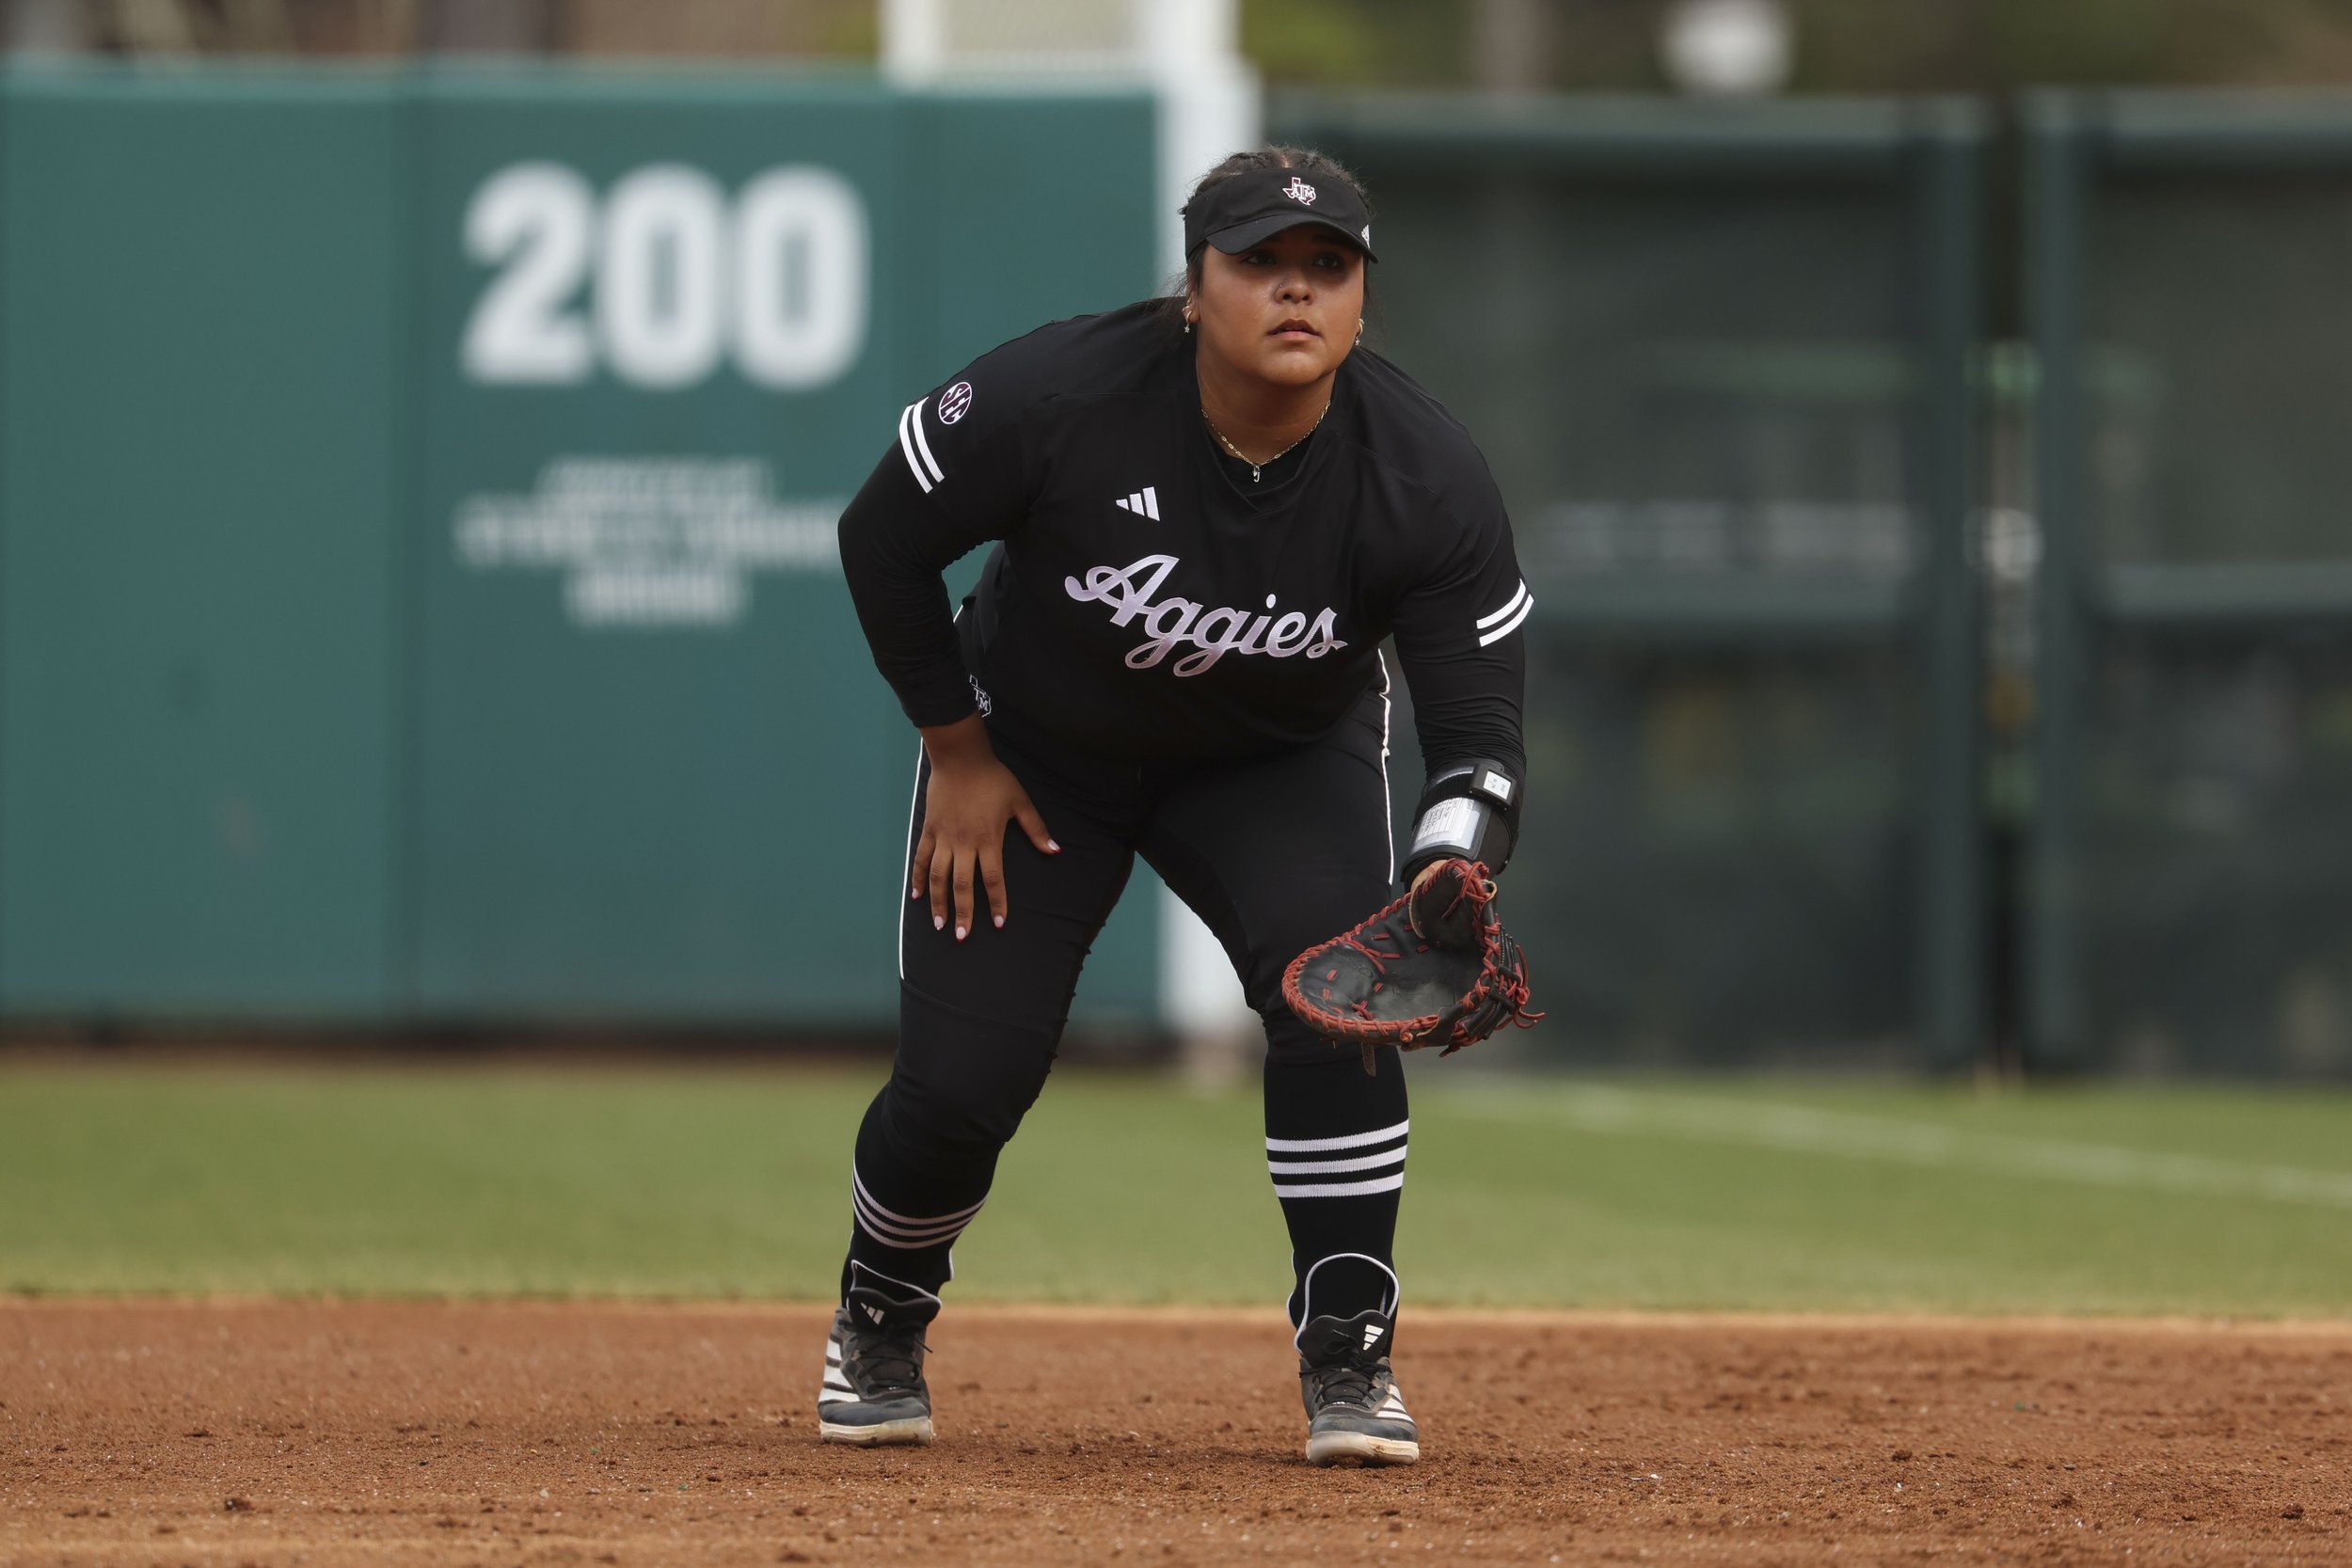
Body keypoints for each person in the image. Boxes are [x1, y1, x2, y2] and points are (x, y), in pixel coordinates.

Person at [823, 147, 1532, 1467]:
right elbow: (883, 542)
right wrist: (957, 751)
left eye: (1328, 267)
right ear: (1194, 287)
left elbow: (1480, 736)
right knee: (964, 1084)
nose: (1295, 291)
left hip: (1276, 762)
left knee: (1338, 1004)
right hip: (1034, 759)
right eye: (1259, 262)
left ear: (1365, 298)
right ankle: (880, 1311)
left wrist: (1448, 871)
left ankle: (1349, 1351)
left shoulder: (1425, 473)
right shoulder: (1058, 395)